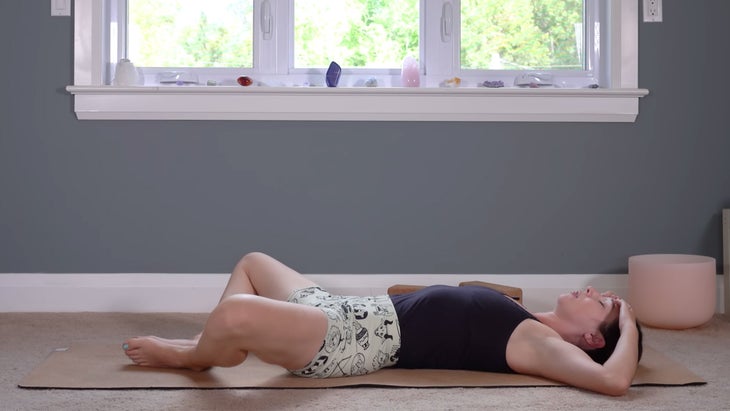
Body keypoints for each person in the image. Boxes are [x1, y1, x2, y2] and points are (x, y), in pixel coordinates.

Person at [123, 252, 643, 396]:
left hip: (348, 341)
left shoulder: (542, 343)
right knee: (254, 262)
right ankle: (222, 343)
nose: (594, 291)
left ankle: (196, 354)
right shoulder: (524, 313)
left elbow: (613, 380)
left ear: (593, 337)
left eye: (603, 303)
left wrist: (633, 321)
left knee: (234, 312)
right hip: (344, 309)